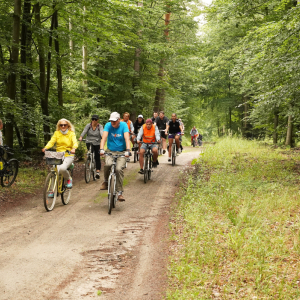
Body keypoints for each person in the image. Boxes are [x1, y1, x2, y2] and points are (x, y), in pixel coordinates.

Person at [99, 112, 131, 201]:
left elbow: (127, 138)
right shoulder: (108, 125)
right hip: (110, 151)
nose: (112, 123)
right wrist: (101, 149)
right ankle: (105, 181)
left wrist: (128, 150)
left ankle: (120, 193)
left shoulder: (124, 125)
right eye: (111, 121)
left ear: (119, 120)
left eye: (114, 121)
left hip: (122, 151)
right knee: (108, 165)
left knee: (118, 169)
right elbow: (104, 138)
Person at [42, 119, 78, 192]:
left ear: (68, 125)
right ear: (59, 126)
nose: (63, 126)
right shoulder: (57, 133)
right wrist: (46, 148)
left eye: (65, 125)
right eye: (61, 125)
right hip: (58, 155)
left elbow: (75, 142)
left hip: (68, 154)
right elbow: (51, 142)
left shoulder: (71, 133)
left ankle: (69, 179)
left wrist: (74, 148)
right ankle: (52, 190)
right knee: (54, 171)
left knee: (62, 168)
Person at [79, 114, 103, 179]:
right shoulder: (88, 125)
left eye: (95, 119)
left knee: (97, 156)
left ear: (98, 120)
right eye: (93, 119)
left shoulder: (100, 126)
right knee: (90, 153)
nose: (94, 121)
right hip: (88, 141)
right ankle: (89, 160)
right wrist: (81, 137)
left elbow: (101, 132)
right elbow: (84, 131)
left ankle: (97, 171)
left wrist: (102, 137)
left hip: (97, 142)